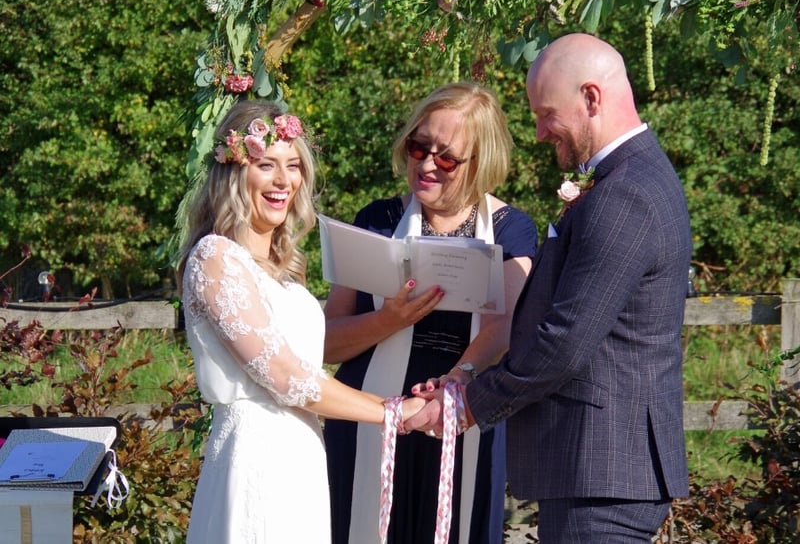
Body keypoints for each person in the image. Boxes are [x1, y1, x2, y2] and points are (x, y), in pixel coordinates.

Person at [406, 33, 693, 543]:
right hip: (601, 468)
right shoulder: (630, 177)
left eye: (545, 114)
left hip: (602, 466)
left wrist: (468, 404)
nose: (539, 133)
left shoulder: (624, 195)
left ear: (591, 98)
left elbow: (565, 341)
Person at [176, 100, 424, 544]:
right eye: (266, 165)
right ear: (233, 172)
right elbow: (285, 375)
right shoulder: (215, 257)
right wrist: (392, 412)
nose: (283, 181)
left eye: (293, 166)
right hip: (256, 458)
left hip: (302, 456)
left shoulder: (283, 271)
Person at [323, 82, 538, 544]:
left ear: (481, 162)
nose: (425, 165)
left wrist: (455, 382)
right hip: (370, 421)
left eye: (446, 158)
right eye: (418, 147)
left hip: (459, 419)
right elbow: (327, 343)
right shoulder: (376, 221)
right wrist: (389, 320)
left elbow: (503, 329)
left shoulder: (511, 232)